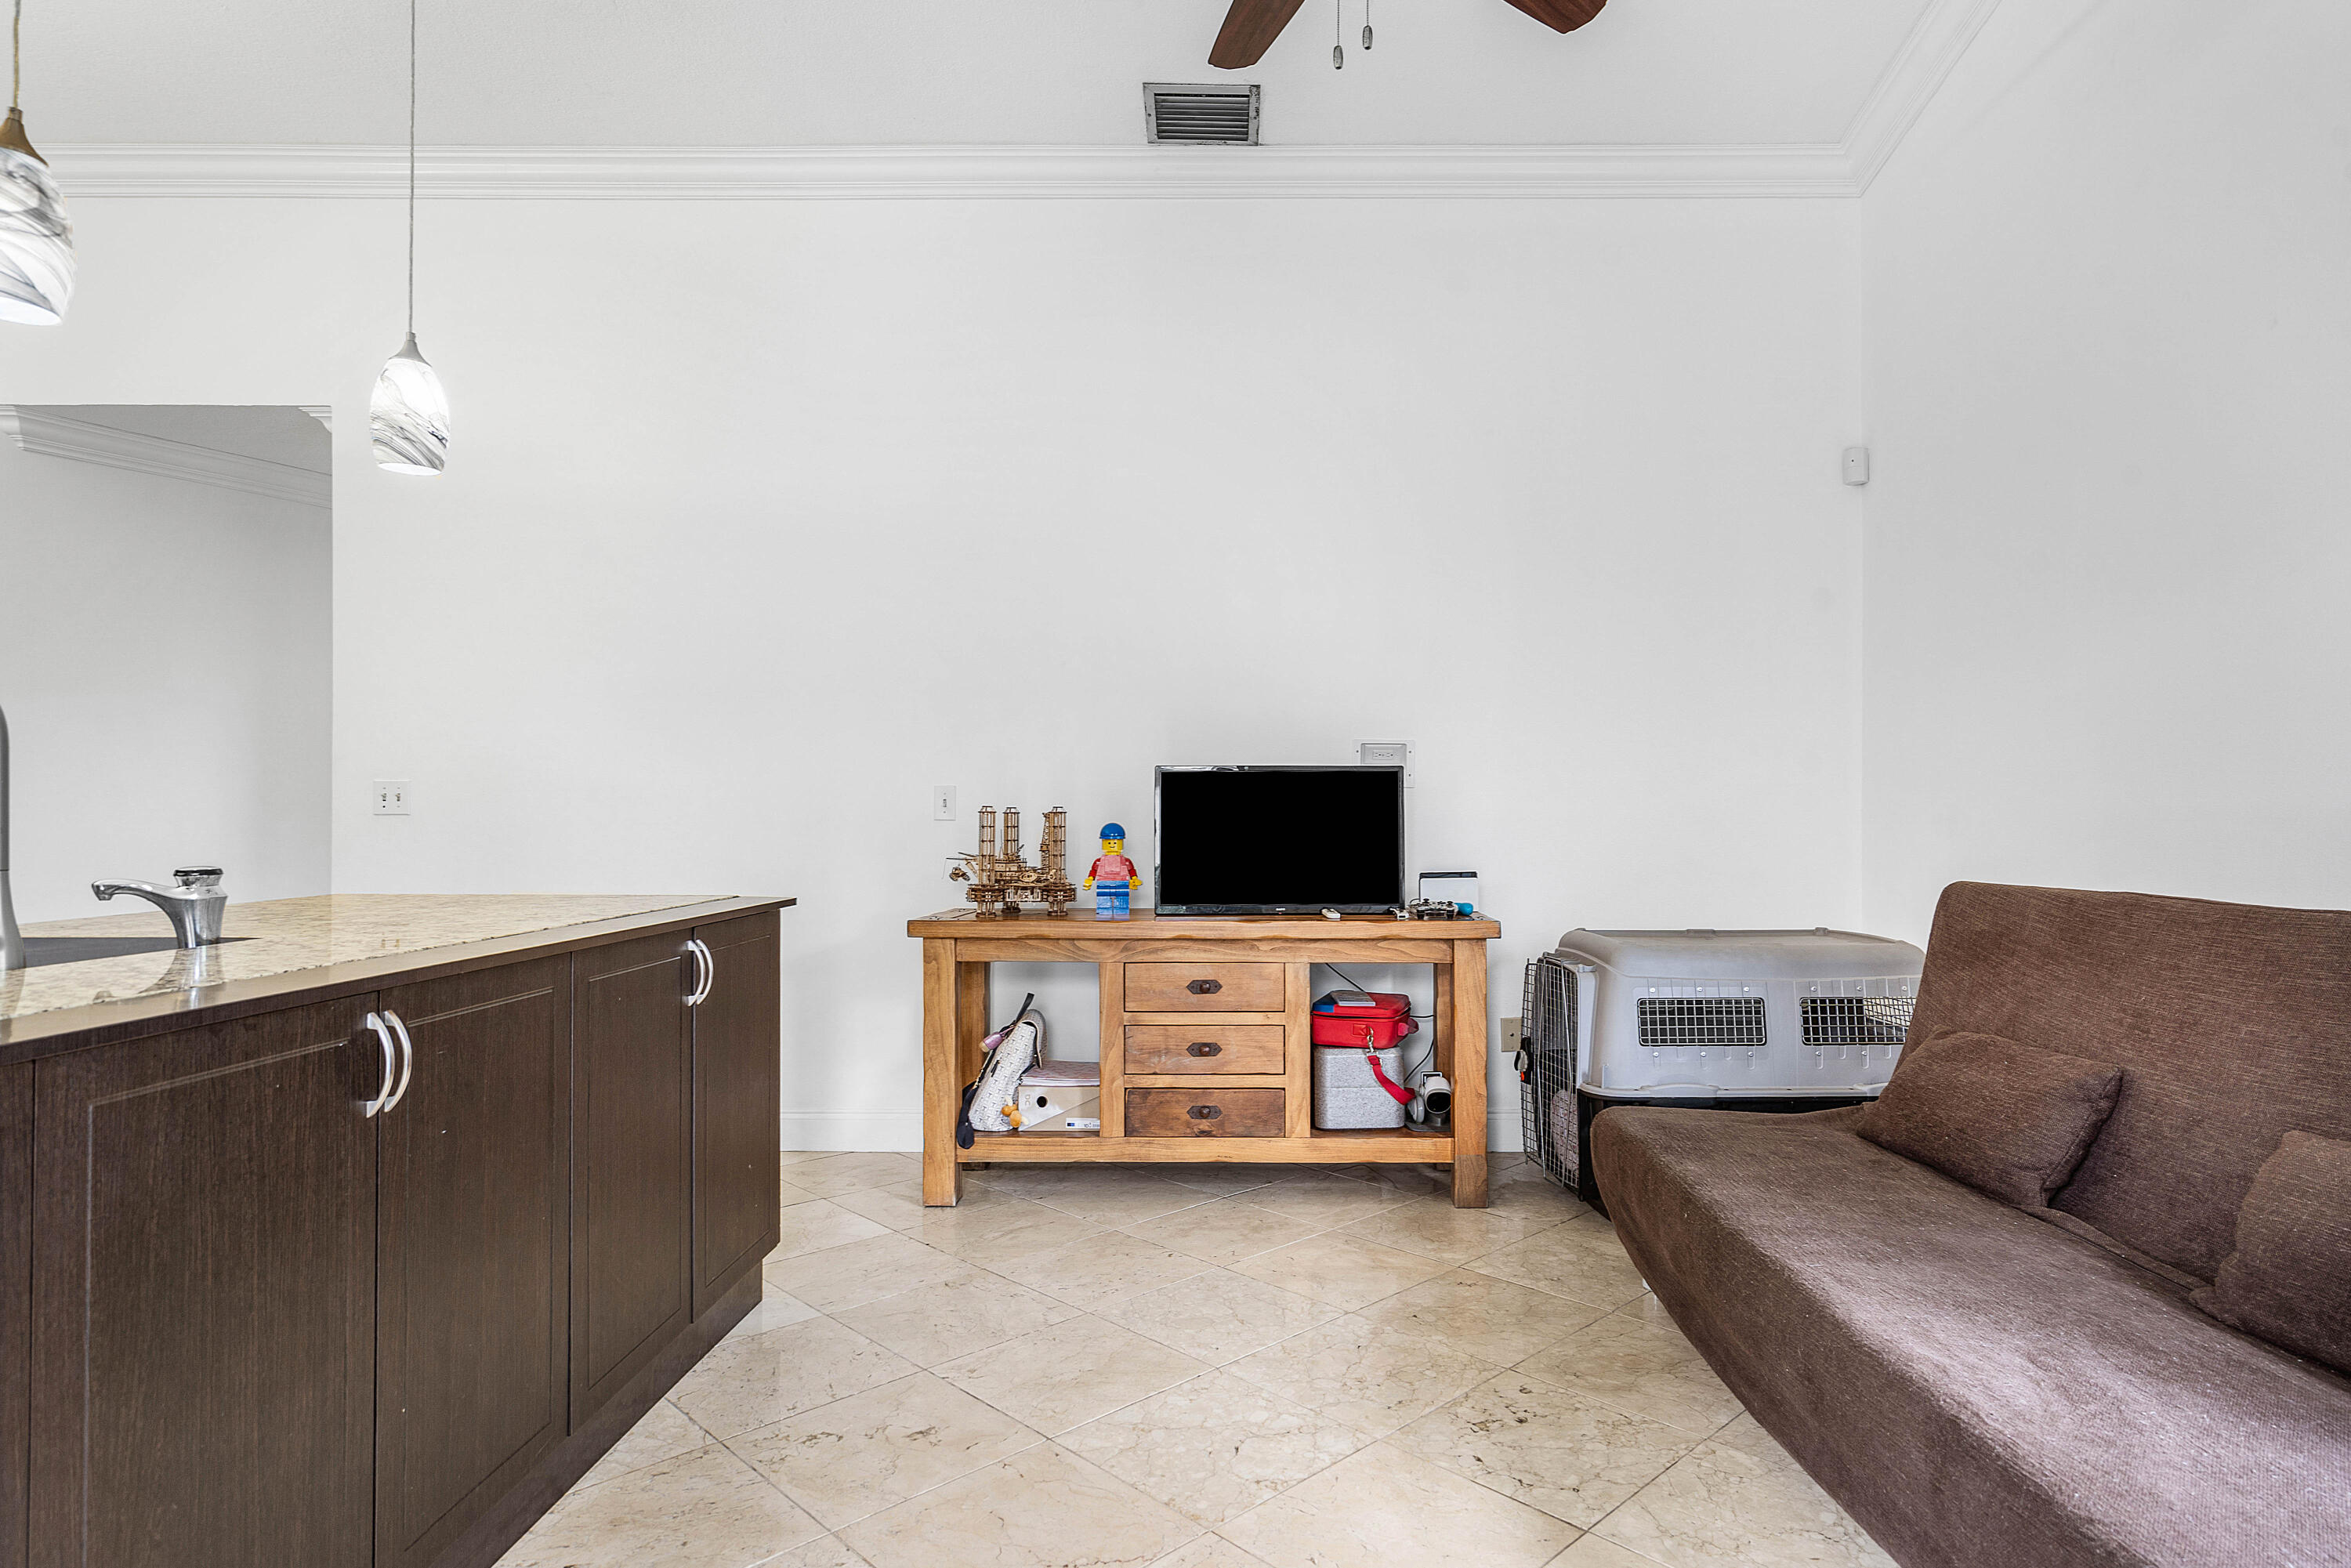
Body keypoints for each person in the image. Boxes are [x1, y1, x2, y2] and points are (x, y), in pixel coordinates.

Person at [1085, 823, 1139, 921]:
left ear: (1120, 843)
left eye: (1115, 843)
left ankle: (1121, 910)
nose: (1112, 845)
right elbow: (1094, 870)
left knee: (1122, 899)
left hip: (1122, 882)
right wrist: (1090, 879)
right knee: (1103, 898)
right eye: (1109, 843)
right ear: (1104, 843)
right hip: (1103, 882)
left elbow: (1131, 870)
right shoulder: (1099, 861)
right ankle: (1104, 910)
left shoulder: (1125, 861)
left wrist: (1134, 879)